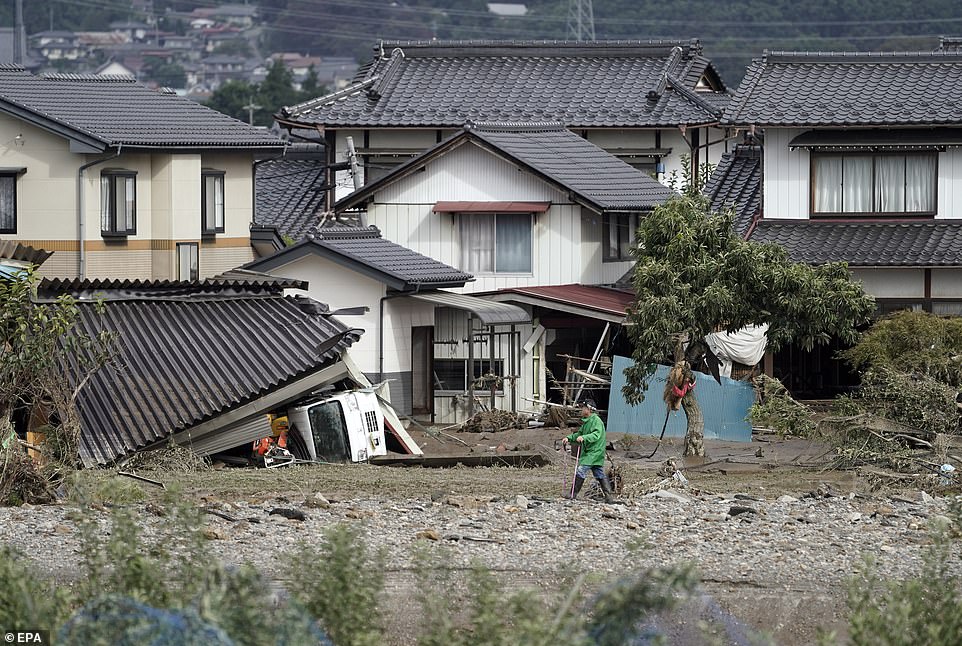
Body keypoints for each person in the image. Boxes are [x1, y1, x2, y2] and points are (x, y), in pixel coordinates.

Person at [562, 400, 614, 502]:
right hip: (590, 452)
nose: (582, 410)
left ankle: (573, 493)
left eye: (584, 408)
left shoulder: (596, 421)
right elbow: (579, 434)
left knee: (581, 469)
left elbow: (596, 435)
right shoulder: (587, 422)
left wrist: (584, 437)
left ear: (589, 409)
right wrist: (569, 438)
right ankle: (608, 496)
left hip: (594, 452)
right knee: (599, 473)